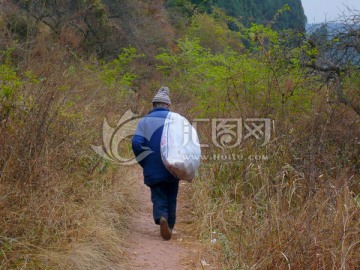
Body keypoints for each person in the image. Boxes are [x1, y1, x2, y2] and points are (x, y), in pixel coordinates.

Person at [132, 86, 179, 240]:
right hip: (173, 166)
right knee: (171, 195)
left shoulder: (144, 121)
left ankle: (161, 217)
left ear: (153, 105)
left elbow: (137, 143)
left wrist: (145, 161)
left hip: (153, 167)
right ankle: (170, 226)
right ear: (168, 105)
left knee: (158, 194)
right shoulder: (176, 120)